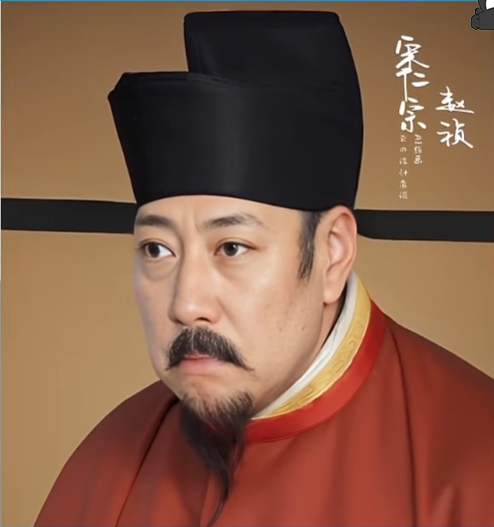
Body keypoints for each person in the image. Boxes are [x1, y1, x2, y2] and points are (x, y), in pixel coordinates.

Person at [35, 10, 494, 527]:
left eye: (232, 247)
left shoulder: (473, 461)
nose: (187, 305)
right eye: (158, 250)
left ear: (332, 253)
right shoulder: (112, 461)